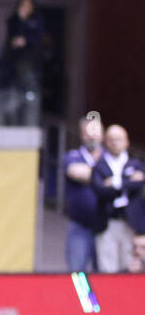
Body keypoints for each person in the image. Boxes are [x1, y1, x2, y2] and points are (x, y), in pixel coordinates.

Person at [92, 124, 144, 274]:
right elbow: (101, 190)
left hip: (130, 222)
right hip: (108, 222)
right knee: (107, 267)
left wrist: (115, 182)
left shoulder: (135, 164)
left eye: (119, 139)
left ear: (126, 142)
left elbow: (138, 184)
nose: (115, 142)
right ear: (105, 142)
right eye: (111, 139)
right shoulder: (99, 166)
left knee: (130, 266)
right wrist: (127, 181)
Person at [62, 116, 105, 272]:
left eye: (95, 132)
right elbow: (76, 172)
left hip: (105, 227)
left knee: (105, 275)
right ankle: (78, 298)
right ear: (81, 135)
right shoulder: (73, 156)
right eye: (87, 133)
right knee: (76, 273)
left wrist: (91, 175)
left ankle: (98, 299)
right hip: (79, 226)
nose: (92, 136)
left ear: (102, 134)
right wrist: (107, 178)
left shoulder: (108, 157)